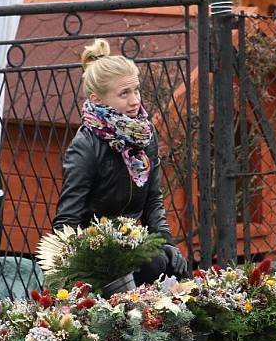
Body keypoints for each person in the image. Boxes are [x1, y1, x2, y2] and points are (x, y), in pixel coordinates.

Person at [52, 38, 188, 285]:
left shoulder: (144, 134)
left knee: (176, 268)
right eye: (124, 93)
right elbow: (67, 221)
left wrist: (167, 243)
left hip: (132, 241)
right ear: (97, 99)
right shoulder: (87, 145)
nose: (135, 100)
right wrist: (72, 277)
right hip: (93, 252)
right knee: (153, 263)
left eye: (136, 90)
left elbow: (153, 201)